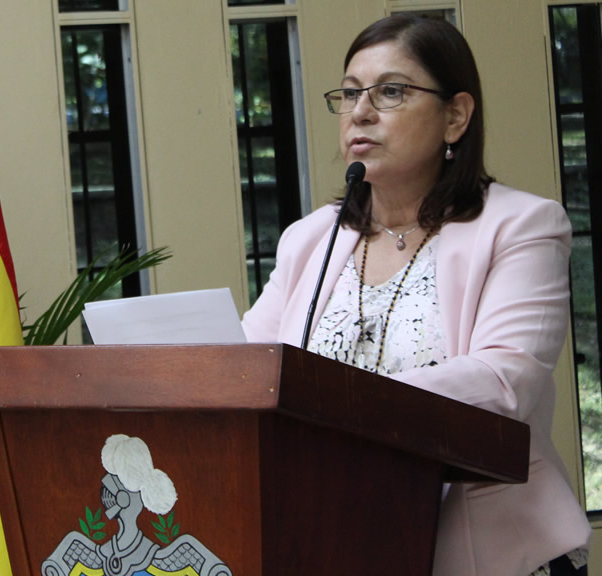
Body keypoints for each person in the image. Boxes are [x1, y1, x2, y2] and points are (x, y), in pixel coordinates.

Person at [240, 13, 590, 576]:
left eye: (391, 92)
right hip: (332, 543)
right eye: (350, 94)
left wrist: (332, 402)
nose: (360, 112)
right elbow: (248, 369)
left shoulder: (521, 225)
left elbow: (504, 382)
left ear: (456, 116)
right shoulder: (311, 239)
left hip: (489, 552)